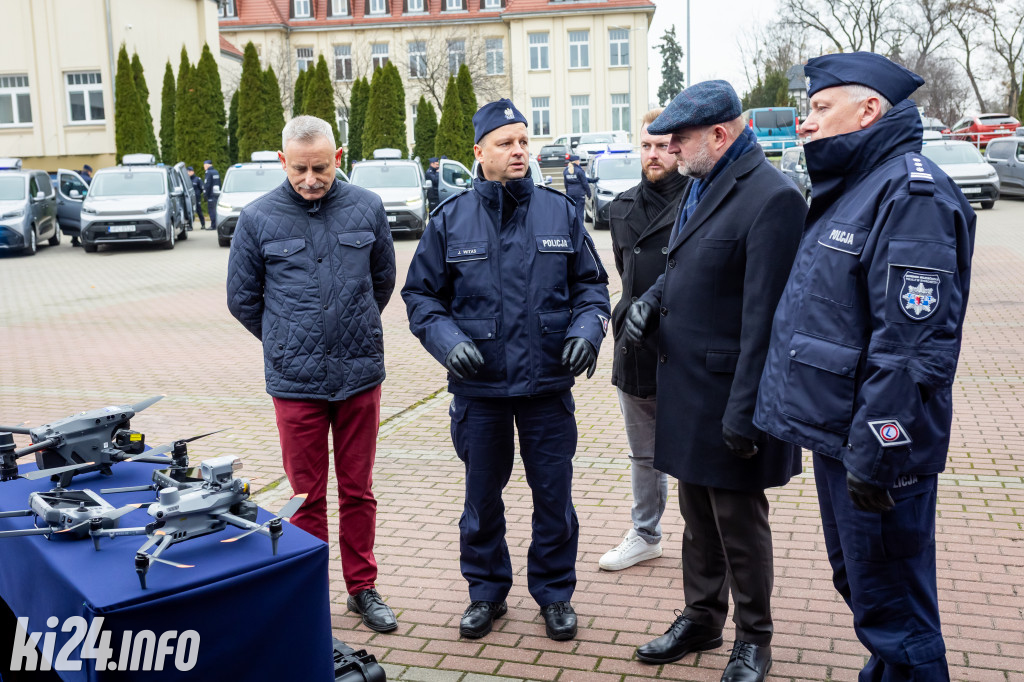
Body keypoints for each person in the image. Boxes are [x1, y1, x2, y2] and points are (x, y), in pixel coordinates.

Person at [754, 52, 975, 682]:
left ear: (869, 109)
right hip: (842, 437)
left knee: (897, 612)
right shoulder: (859, 186)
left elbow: (910, 347)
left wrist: (880, 452)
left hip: (876, 448)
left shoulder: (910, 194)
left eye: (820, 107)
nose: (805, 122)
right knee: (867, 589)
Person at [402, 99, 610, 643]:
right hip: (481, 391)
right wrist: (449, 343)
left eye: (523, 141)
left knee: (553, 496)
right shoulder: (450, 219)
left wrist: (587, 332)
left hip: (546, 387)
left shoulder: (559, 211)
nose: (519, 151)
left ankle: (555, 593)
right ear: (479, 152)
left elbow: (592, 286)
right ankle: (486, 593)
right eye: (505, 143)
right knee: (480, 499)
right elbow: (421, 297)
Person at [623, 80, 807, 682]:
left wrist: (746, 412)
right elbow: (686, 262)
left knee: (738, 524)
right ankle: (703, 616)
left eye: (680, 140)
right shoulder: (703, 183)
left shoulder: (773, 199)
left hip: (733, 396)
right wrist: (651, 299)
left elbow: (768, 320)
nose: (671, 151)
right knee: (697, 515)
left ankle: (755, 638)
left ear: (721, 135)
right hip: (689, 388)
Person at [226, 115, 399, 634]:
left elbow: (383, 280)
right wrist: (286, 339)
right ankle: (308, 596)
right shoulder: (256, 219)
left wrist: (349, 330)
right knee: (306, 494)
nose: (309, 179)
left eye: (320, 168)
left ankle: (362, 588)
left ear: (338, 158)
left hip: (359, 376)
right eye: (299, 169)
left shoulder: (367, 207)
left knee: (358, 490)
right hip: (294, 383)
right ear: (283, 162)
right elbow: (242, 299)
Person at [598, 108, 689, 572]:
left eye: (663, 145)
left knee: (694, 449)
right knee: (643, 453)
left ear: (679, 147)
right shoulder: (621, 207)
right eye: (646, 145)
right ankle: (646, 532)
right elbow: (626, 274)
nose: (654, 154)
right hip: (634, 345)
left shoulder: (700, 201)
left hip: (687, 345)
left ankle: (705, 539)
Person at [562, 154, 596, 227]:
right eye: (579, 160)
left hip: (570, 194)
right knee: (579, 212)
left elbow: (566, 184)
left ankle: (572, 227)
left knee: (571, 212)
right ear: (576, 161)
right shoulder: (579, 170)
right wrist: (589, 193)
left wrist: (568, 192)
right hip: (579, 194)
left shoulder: (566, 170)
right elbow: (585, 183)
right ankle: (580, 229)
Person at [203, 159, 220, 231]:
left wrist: (205, 195)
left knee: (211, 210)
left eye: (204, 166)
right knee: (215, 210)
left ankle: (213, 225)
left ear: (207, 165)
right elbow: (219, 183)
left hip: (211, 195)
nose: (204, 167)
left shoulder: (208, 172)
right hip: (216, 194)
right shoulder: (216, 172)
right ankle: (216, 224)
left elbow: (207, 185)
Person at [187, 166, 205, 231]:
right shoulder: (187, 180)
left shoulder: (197, 179)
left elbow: (202, 188)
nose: (188, 173)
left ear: (192, 171)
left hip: (197, 198)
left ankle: (203, 224)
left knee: (199, 211)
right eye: (188, 171)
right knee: (190, 212)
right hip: (190, 199)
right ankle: (190, 226)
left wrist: (198, 194)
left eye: (189, 171)